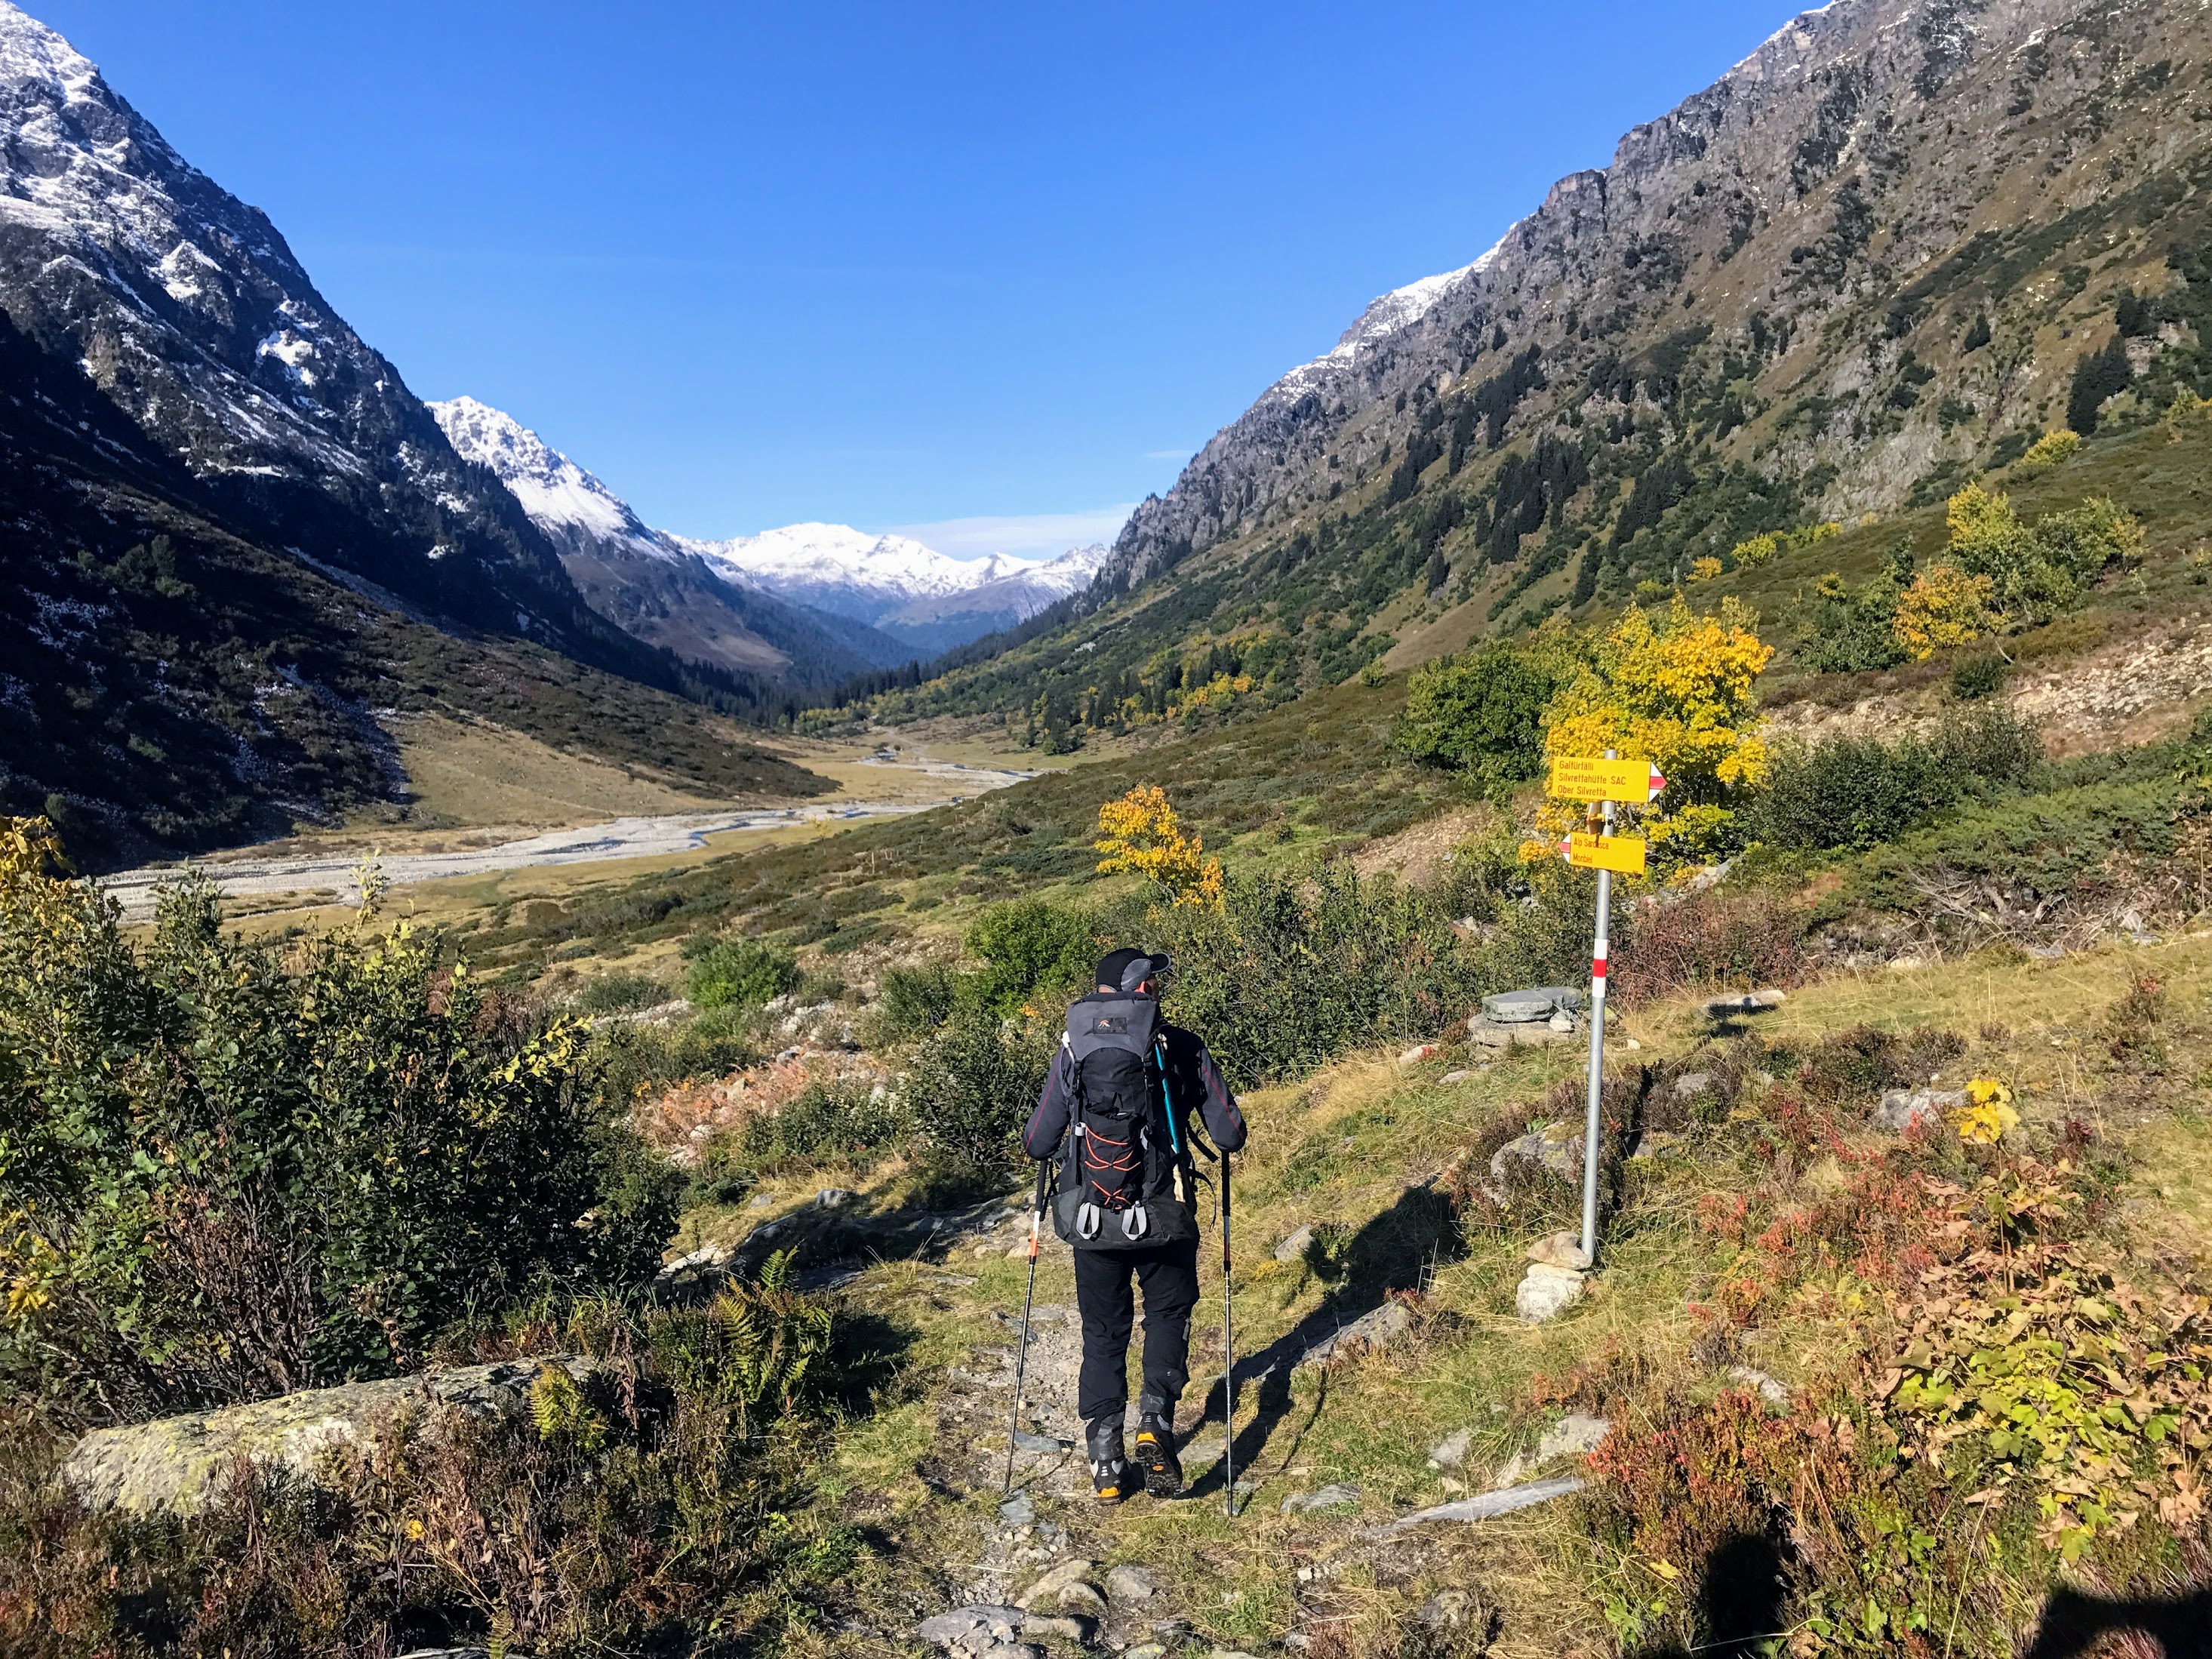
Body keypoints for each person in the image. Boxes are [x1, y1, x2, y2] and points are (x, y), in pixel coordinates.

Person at [1023, 946, 1247, 1501]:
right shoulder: (1181, 1046)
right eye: (1155, 983)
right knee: (1167, 1313)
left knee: (1102, 1335)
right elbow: (1229, 1135)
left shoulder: (1073, 1047)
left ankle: (1104, 1462)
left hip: (1092, 1222)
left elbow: (1037, 1141)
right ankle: (1155, 1420)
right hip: (1163, 1214)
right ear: (1141, 989)